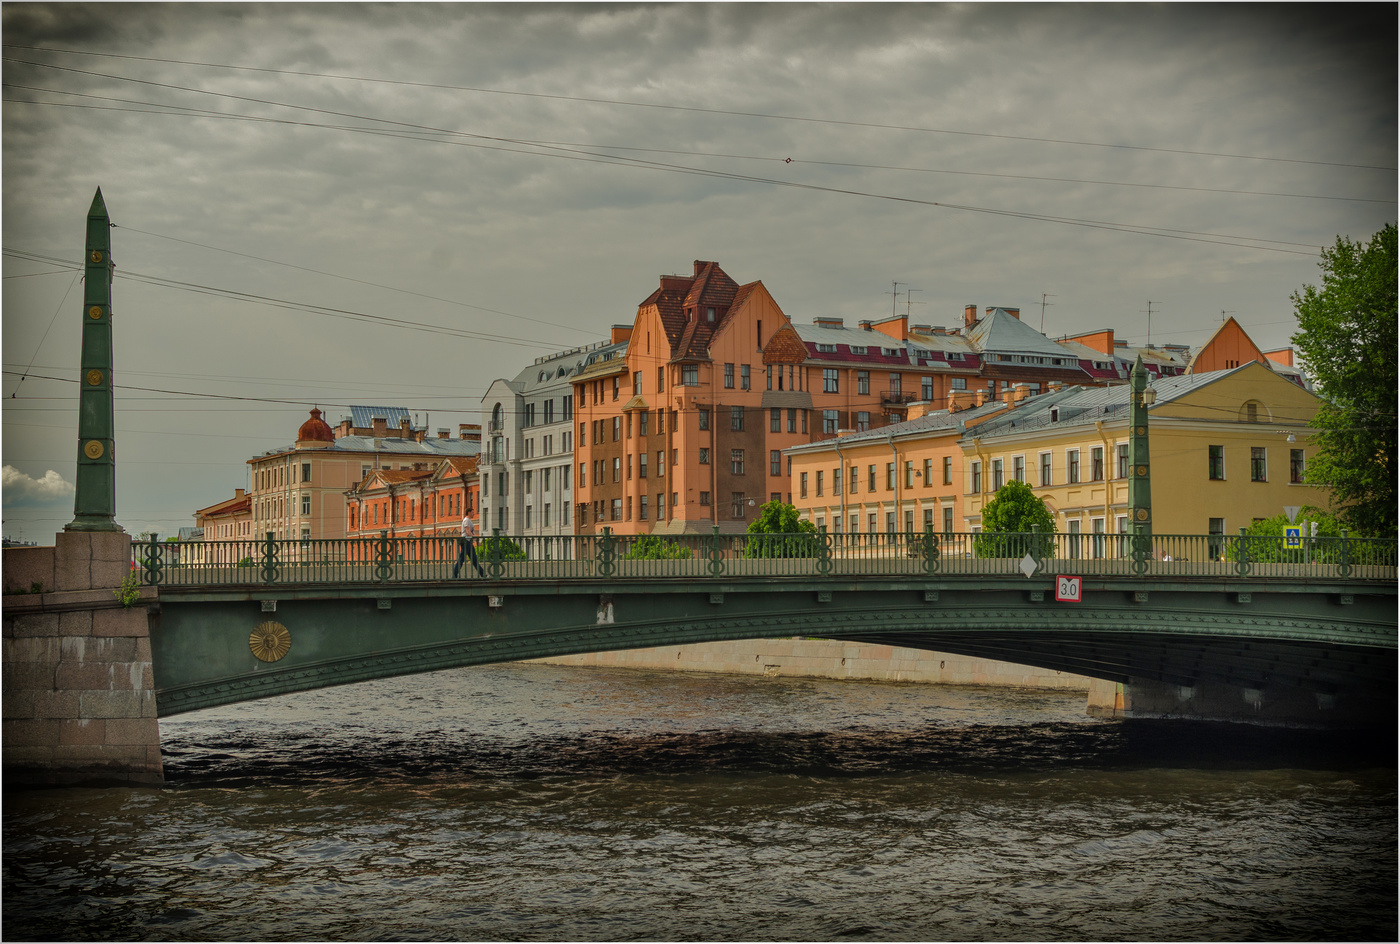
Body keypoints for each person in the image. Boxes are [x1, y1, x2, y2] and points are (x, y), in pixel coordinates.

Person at [453, 512, 486, 578]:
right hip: (466, 541)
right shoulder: (466, 520)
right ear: (469, 513)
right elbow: (468, 531)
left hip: (469, 542)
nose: (473, 514)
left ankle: (483, 574)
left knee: (474, 559)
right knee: (462, 559)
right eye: (472, 512)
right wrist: (476, 540)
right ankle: (454, 575)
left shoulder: (468, 521)